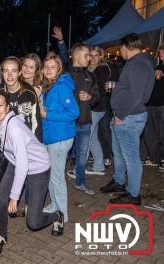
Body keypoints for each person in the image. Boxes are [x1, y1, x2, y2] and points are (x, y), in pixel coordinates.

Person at [0, 91, 64, 256]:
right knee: (0, 202)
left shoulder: (14, 129)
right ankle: (1, 235)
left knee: (34, 222)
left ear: (7, 107)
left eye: (0, 105)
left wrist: (15, 196)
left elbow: (23, 164)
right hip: (16, 163)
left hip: (37, 168)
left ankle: (57, 216)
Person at [100, 33, 155, 205]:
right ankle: (118, 181)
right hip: (124, 117)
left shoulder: (138, 64)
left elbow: (138, 96)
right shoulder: (139, 62)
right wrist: (118, 89)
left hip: (129, 118)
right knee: (119, 153)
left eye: (120, 49)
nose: (120, 52)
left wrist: (121, 116)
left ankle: (133, 194)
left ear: (125, 47)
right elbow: (133, 88)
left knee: (131, 157)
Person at [35, 55, 79, 222]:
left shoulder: (61, 86)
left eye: (52, 67)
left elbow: (74, 112)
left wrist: (48, 114)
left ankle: (62, 213)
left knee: (56, 176)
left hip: (61, 138)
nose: (48, 70)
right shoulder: (49, 85)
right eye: (46, 67)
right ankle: (55, 204)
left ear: (59, 68)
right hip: (51, 136)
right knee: (51, 174)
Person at [66, 43, 99, 195]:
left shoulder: (90, 76)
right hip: (67, 124)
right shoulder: (65, 76)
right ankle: (54, 183)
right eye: (87, 55)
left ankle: (80, 182)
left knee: (82, 156)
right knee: (62, 157)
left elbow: (97, 97)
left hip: (85, 123)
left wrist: (90, 97)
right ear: (77, 56)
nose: (90, 59)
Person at [85, 46, 113, 175]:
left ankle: (79, 169)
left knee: (86, 137)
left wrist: (88, 97)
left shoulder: (101, 69)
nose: (94, 58)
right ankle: (98, 165)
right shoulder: (91, 68)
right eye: (92, 55)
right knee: (92, 138)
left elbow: (100, 91)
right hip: (96, 107)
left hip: (97, 107)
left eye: (97, 55)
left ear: (101, 56)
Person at [0, 56, 42, 142]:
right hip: (7, 142)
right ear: (2, 73)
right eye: (6, 71)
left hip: (27, 141)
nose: (10, 75)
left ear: (19, 72)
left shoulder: (29, 93)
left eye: (14, 71)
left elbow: (36, 122)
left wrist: (36, 143)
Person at [141, 45, 164, 171]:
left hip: (162, 105)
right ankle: (154, 158)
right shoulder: (157, 66)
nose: (160, 54)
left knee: (162, 132)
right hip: (152, 104)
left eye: (162, 52)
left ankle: (163, 159)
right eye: (159, 52)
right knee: (150, 133)